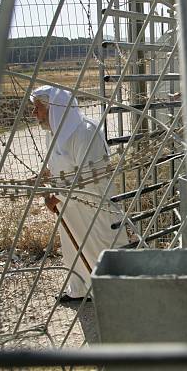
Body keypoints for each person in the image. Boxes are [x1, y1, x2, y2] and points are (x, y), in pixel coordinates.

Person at [31, 85, 124, 302]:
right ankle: (81, 290)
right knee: (75, 249)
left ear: (54, 108)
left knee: (100, 246)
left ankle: (113, 291)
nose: (34, 113)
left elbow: (90, 177)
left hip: (92, 205)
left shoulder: (85, 133)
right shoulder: (54, 131)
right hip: (69, 206)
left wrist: (57, 197)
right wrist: (45, 175)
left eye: (38, 108)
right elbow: (59, 163)